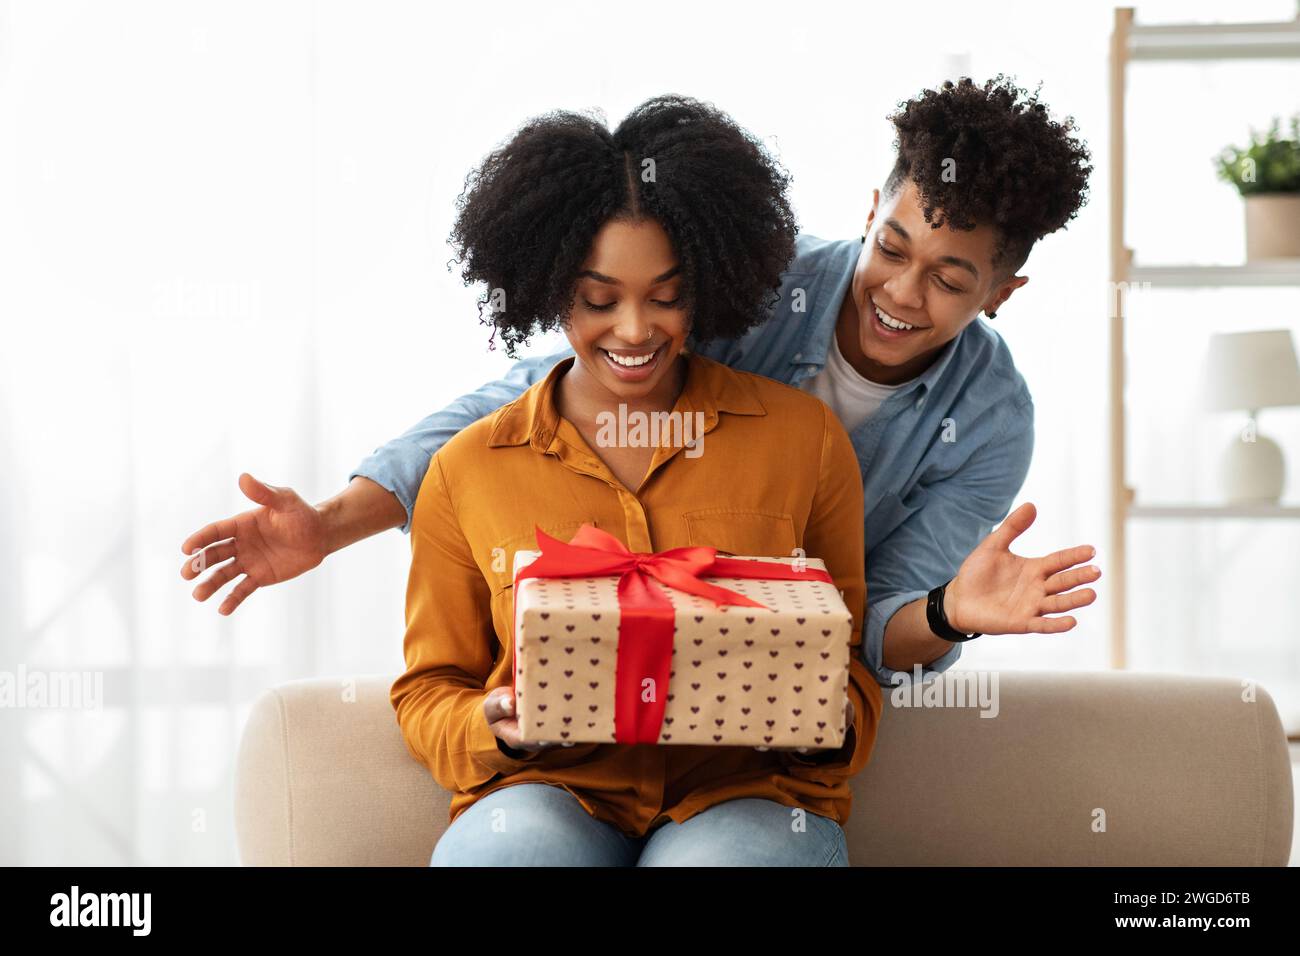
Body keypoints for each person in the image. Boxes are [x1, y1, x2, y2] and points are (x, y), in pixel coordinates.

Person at [181, 76, 1100, 707]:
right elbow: (533, 399)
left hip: (761, 699)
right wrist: (336, 523)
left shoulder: (990, 424)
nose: (900, 294)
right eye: (892, 249)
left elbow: (870, 625)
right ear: (870, 210)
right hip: (612, 656)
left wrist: (947, 616)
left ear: (1002, 292)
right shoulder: (752, 282)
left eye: (948, 279)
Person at [395, 96, 875, 864]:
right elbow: (428, 690)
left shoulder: (803, 441)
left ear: (709, 284)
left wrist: (825, 716)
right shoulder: (467, 470)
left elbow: (847, 660)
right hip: (548, 791)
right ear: (548, 285)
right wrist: (493, 723)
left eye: (667, 295)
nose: (633, 330)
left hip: (746, 795)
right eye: (597, 299)